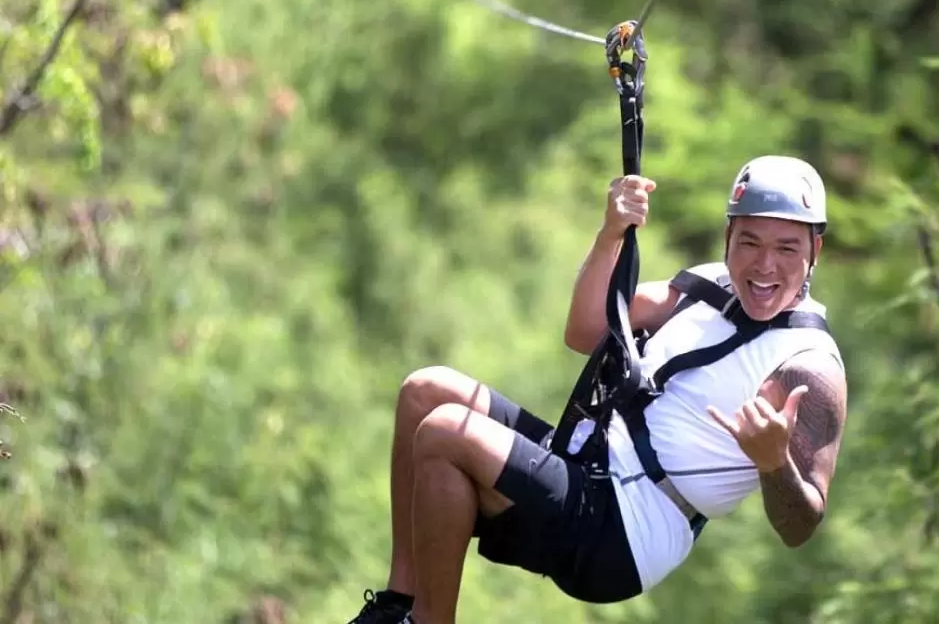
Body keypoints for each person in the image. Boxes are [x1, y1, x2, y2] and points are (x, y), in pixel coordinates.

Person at [345, 155, 849, 624]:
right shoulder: (706, 287)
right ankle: (397, 606)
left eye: (787, 249)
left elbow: (800, 526)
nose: (765, 267)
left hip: (625, 529)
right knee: (424, 392)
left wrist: (773, 462)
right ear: (727, 238)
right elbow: (585, 332)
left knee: (444, 433)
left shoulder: (808, 366)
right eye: (750, 243)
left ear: (814, 251)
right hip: (582, 462)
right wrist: (611, 234)